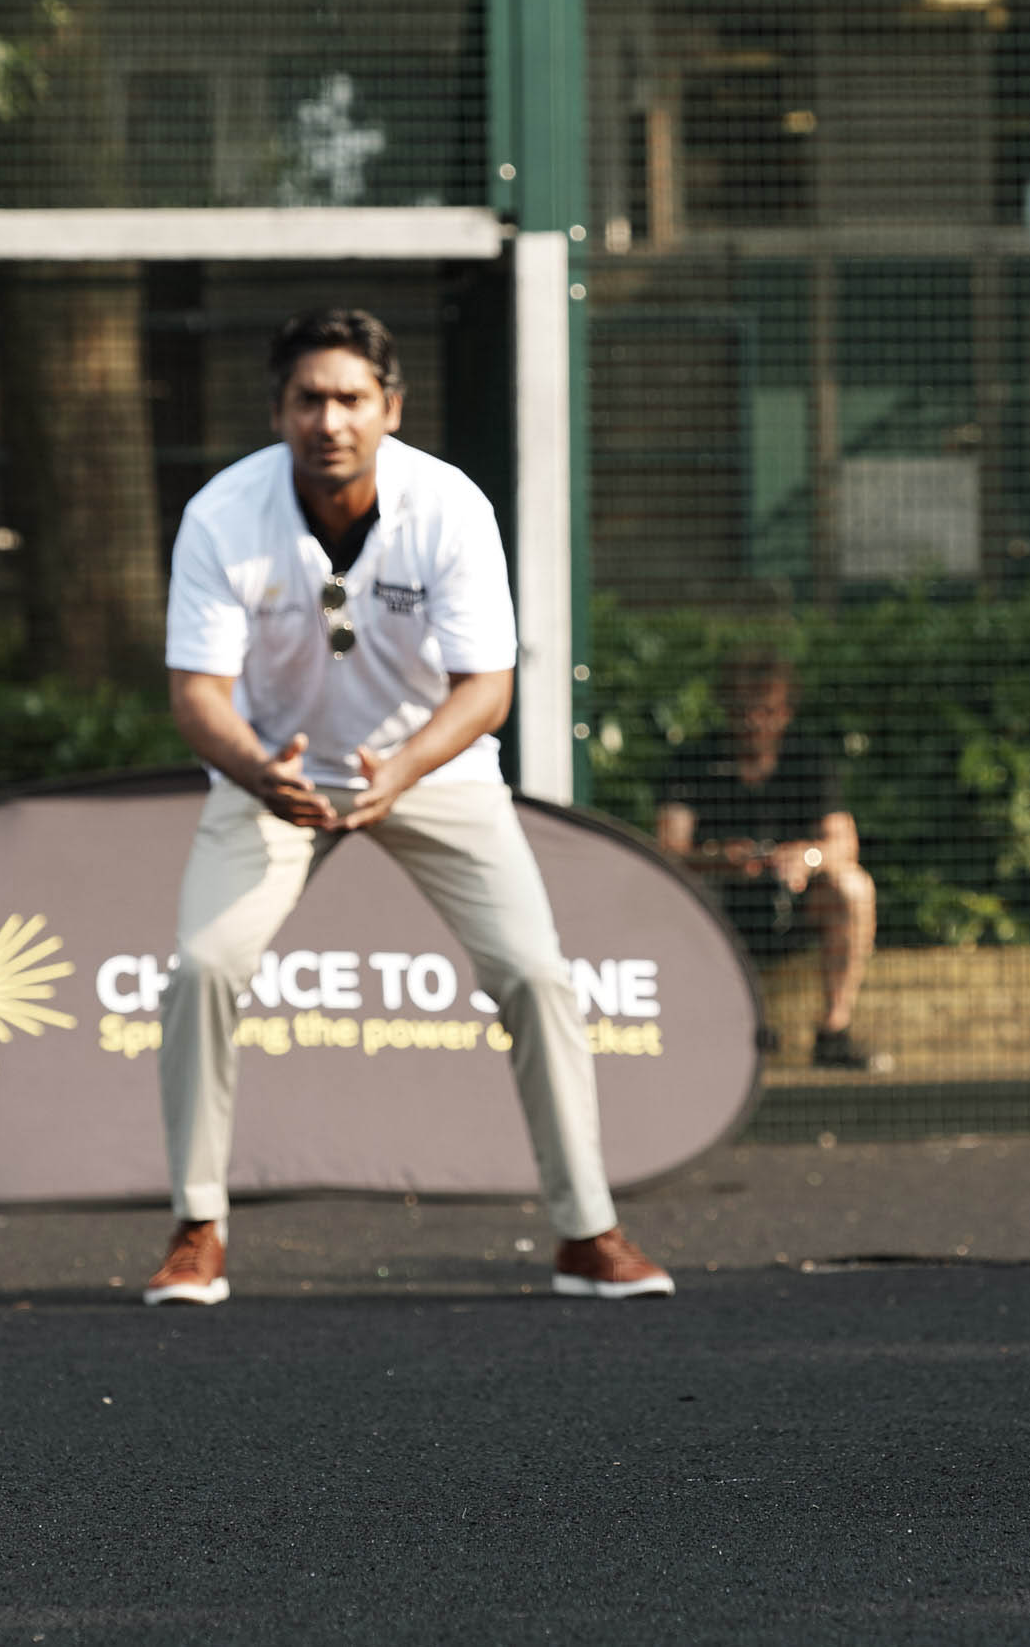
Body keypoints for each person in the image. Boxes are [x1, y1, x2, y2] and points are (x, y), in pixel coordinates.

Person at [144, 306, 672, 1307]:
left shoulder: (450, 506)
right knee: (204, 968)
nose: (328, 420)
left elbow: (486, 688)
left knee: (534, 973)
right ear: (277, 412)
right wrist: (263, 771)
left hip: (436, 768)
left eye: (350, 399)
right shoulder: (221, 514)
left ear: (391, 407)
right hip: (271, 776)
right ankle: (196, 1227)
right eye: (308, 399)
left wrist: (401, 769)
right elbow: (196, 697)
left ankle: (586, 1231)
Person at [655, 649, 878, 1070]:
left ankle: (834, 1031)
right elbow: (668, 851)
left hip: (793, 905)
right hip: (716, 907)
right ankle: (712, 1030)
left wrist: (805, 858)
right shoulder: (691, 761)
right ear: (727, 708)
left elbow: (844, 844)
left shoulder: (809, 759)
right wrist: (720, 859)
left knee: (853, 887)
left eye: (767, 710)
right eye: (744, 710)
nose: (755, 721)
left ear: (787, 712)